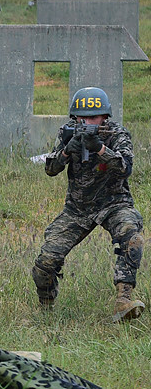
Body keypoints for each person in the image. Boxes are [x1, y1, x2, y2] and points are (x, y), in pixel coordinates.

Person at [32, 87, 145, 322]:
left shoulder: (117, 134)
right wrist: (65, 152)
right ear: (74, 117)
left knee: (131, 235)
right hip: (77, 208)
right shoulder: (67, 132)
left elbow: (125, 169)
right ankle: (46, 309)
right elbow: (50, 170)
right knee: (46, 262)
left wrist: (100, 148)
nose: (87, 122)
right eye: (82, 117)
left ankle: (123, 301)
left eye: (94, 117)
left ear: (105, 117)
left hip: (114, 203)